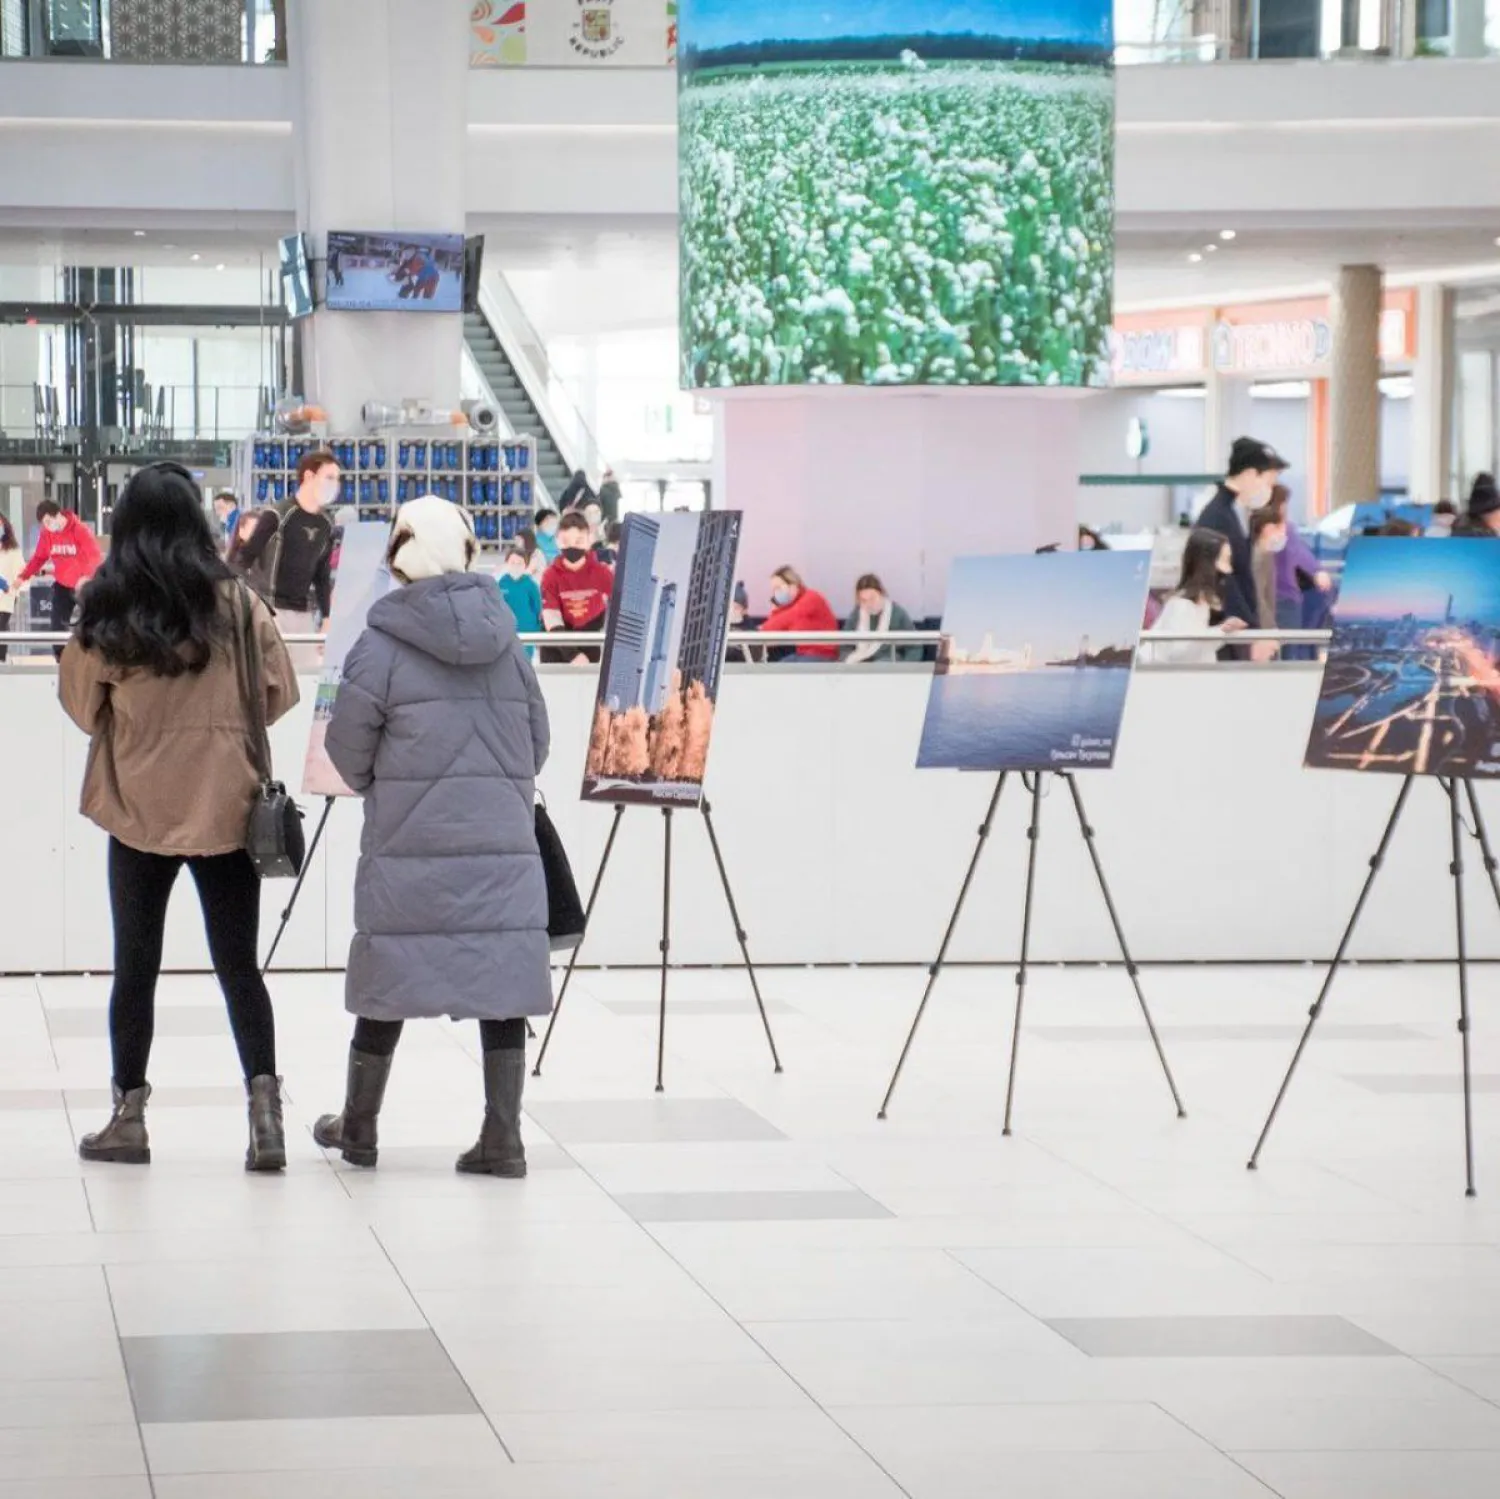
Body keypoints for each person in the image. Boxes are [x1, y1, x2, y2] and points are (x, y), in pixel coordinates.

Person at [57, 462, 298, 1170]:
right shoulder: (238, 602)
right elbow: (277, 690)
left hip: (137, 808)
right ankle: (265, 1119)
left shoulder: (105, 603)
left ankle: (128, 1117)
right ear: (197, 518)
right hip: (228, 805)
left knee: (135, 966)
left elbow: (80, 706)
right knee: (238, 966)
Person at [312, 497, 551, 1177]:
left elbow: (347, 748)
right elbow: (537, 743)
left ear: (399, 554)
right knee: (501, 976)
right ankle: (502, 1138)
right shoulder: (506, 641)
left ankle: (359, 1126)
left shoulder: (380, 645)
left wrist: (390, 785)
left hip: (408, 846)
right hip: (499, 848)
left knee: (390, 972)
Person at [233, 449, 339, 666]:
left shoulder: (326, 524)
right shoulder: (278, 515)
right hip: (272, 610)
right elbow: (244, 558)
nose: (335, 484)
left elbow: (322, 575)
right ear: (309, 476)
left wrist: (327, 617)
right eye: (329, 477)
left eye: (337, 479)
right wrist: (250, 606)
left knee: (307, 679)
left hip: (303, 612)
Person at [1196, 437, 1288, 637]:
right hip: (1229, 631)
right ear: (1249, 474)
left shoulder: (1234, 513)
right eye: (1266, 480)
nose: (1269, 488)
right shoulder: (1217, 517)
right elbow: (1224, 579)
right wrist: (1250, 632)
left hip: (1238, 629)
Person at [1145, 528, 1250, 665]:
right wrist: (1220, 631)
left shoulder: (1201, 604)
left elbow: (1196, 648)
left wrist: (1224, 631)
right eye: (1225, 561)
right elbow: (1179, 653)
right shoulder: (1182, 605)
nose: (1229, 570)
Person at [15, 499, 102, 662]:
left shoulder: (80, 530)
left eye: (48, 521)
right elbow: (39, 558)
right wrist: (23, 576)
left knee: (90, 622)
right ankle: (60, 659)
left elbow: (94, 557)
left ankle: (93, 659)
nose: (47, 526)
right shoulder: (47, 534)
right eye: (44, 523)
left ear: (58, 515)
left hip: (83, 585)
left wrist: (86, 577)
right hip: (62, 584)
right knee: (57, 624)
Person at [541, 510, 614, 664]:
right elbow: (551, 618)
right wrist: (572, 655)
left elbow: (621, 607)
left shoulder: (602, 573)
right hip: (557, 648)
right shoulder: (550, 576)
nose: (572, 546)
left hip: (590, 644)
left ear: (589, 540)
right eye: (566, 541)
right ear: (557, 541)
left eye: (579, 541)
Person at [761, 566, 839, 661]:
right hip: (803, 653)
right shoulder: (791, 604)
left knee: (784, 672)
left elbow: (786, 619)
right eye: (773, 590)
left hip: (822, 655)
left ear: (793, 585)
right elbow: (769, 631)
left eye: (778, 588)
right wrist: (776, 610)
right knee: (775, 671)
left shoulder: (811, 598)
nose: (775, 593)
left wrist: (776, 611)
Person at [843, 573, 921, 663]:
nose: (868, 604)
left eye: (872, 599)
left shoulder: (897, 613)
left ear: (881, 594)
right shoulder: (856, 614)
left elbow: (915, 646)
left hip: (889, 664)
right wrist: (847, 661)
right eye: (864, 600)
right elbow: (845, 645)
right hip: (861, 663)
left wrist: (907, 669)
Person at [497, 541, 544, 655]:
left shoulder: (530, 584)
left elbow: (538, 608)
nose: (516, 566)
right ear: (506, 563)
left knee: (525, 661)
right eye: (512, 562)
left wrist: (537, 629)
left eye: (519, 563)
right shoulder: (501, 583)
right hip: (506, 631)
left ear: (526, 565)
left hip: (527, 630)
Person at [0, 514, 22, 663]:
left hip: (7, 594)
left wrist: (14, 586)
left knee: (1, 624)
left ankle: (1, 658)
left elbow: (20, 571)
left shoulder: (13, 549)